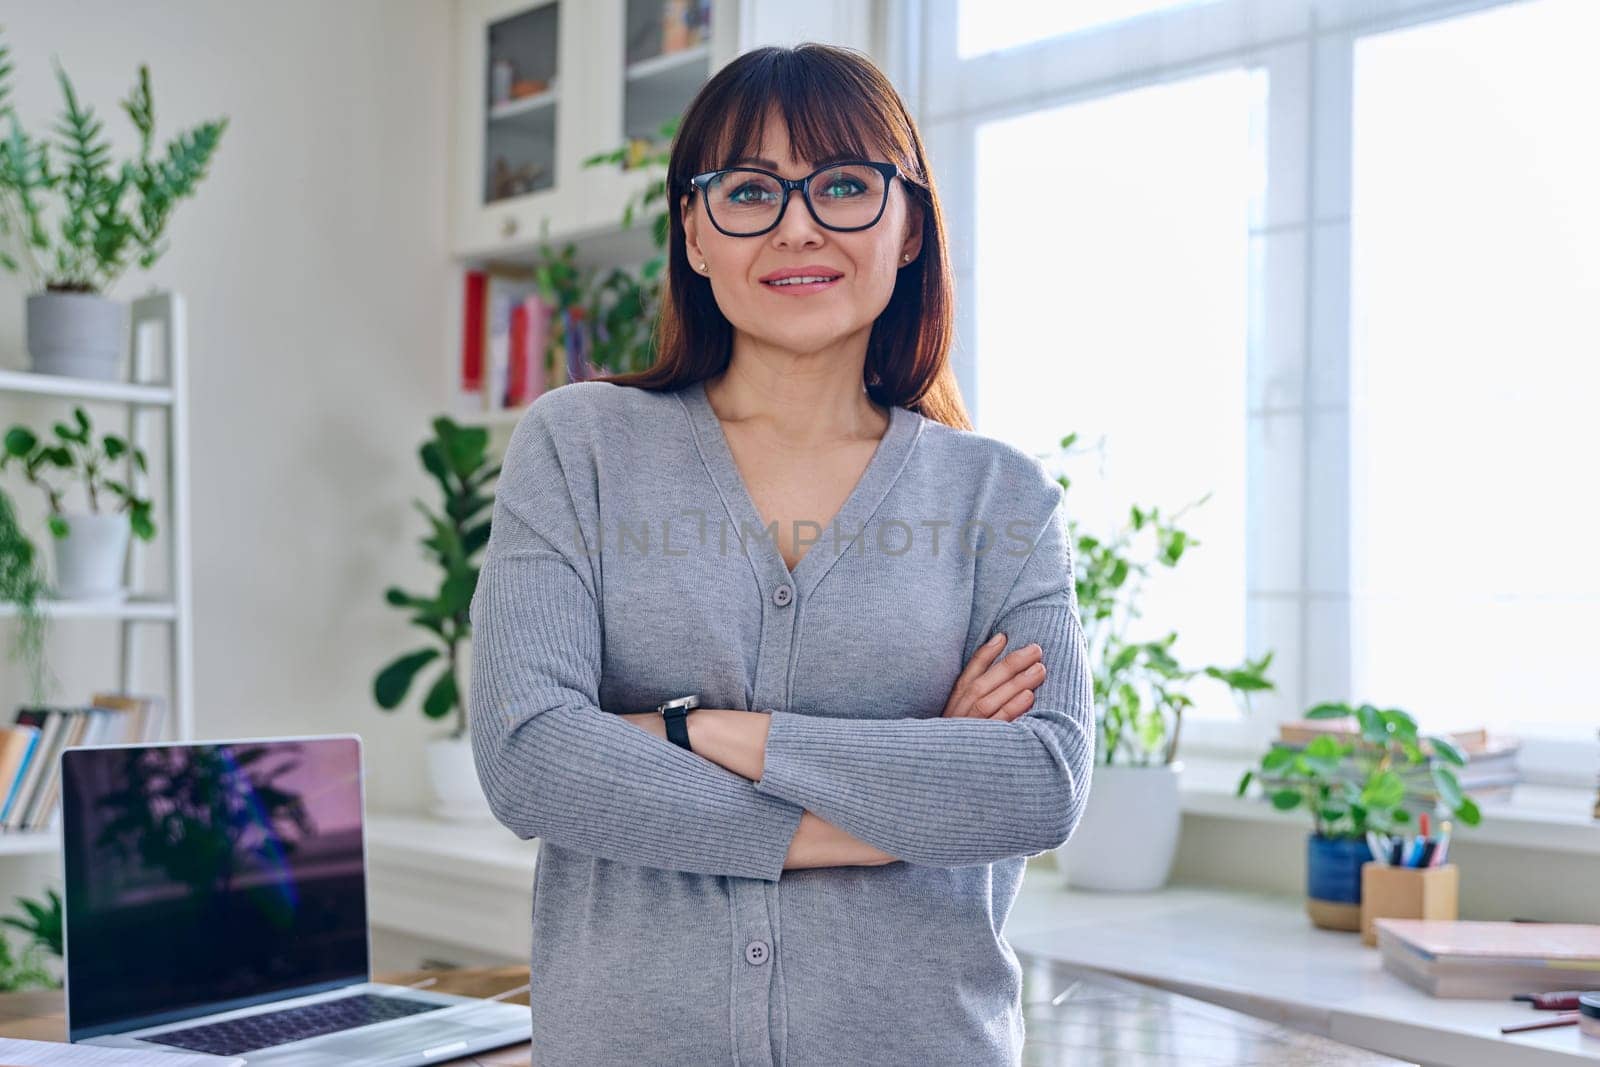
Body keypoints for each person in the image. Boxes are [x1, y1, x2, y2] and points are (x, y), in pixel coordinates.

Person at [468, 41, 1095, 1067]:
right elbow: (531, 757)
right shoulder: (578, 446)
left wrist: (693, 729)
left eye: (845, 185)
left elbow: (1037, 782)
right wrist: (902, 803)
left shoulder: (998, 495)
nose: (798, 223)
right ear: (695, 234)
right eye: (750, 190)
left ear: (908, 229)